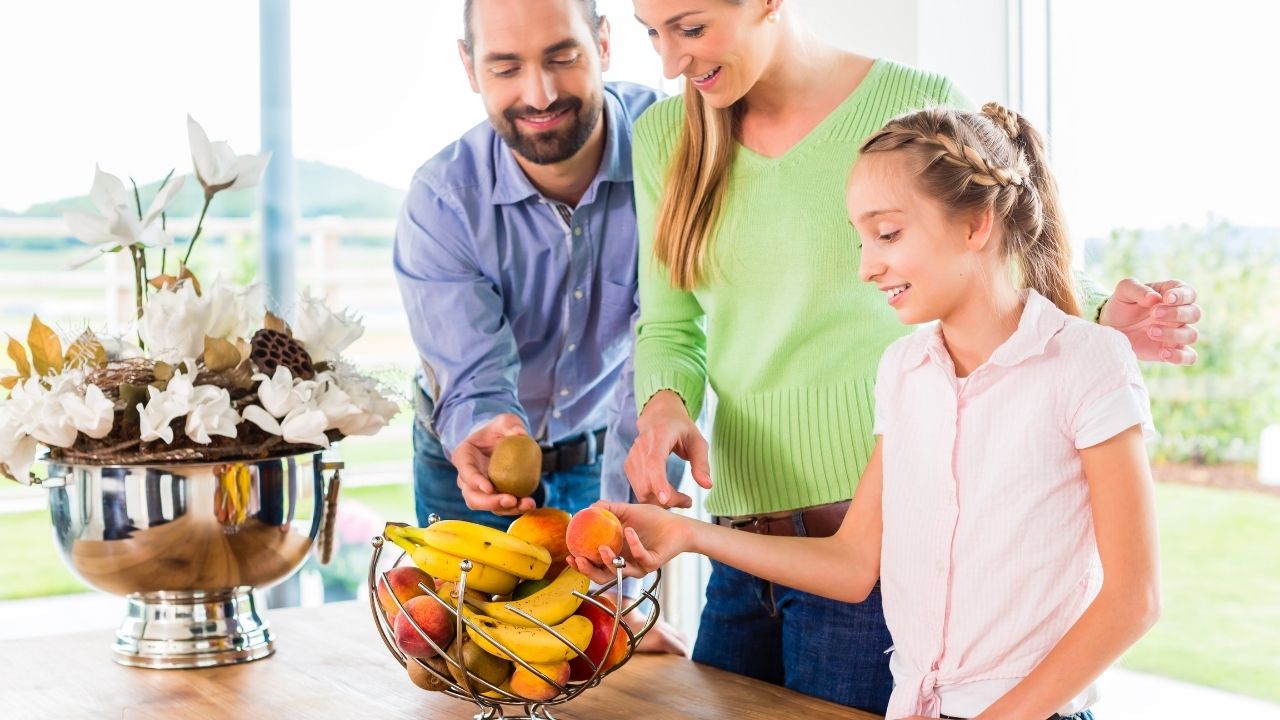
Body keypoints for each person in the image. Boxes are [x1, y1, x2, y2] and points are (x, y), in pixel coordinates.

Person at [622, 0, 1198, 712]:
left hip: (876, 535)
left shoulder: (907, 109)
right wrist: (669, 425)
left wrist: (1104, 312)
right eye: (651, 33)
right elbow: (668, 324)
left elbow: (1003, 236)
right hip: (747, 524)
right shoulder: (661, 139)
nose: (669, 61)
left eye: (690, 26)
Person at [392, 0, 684, 652]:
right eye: (506, 67)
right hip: (466, 466)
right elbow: (470, 376)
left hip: (596, 446)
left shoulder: (673, 152)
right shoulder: (443, 200)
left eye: (562, 57)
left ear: (604, 44)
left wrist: (621, 583)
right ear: (469, 67)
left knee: (593, 661)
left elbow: (664, 349)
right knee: (466, 662)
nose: (540, 93)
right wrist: (487, 433)